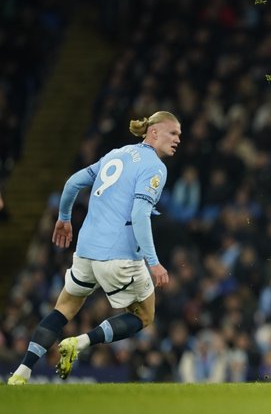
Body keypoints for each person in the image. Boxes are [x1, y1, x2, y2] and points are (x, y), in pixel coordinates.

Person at [7, 111, 181, 385]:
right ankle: (80, 342)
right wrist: (154, 262)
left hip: (86, 252)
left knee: (63, 307)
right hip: (120, 257)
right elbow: (139, 215)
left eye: (180, 135)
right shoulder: (156, 167)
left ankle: (21, 372)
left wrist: (64, 218)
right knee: (144, 315)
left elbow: (72, 183)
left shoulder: (115, 154)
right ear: (154, 132)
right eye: (173, 133)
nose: (178, 139)